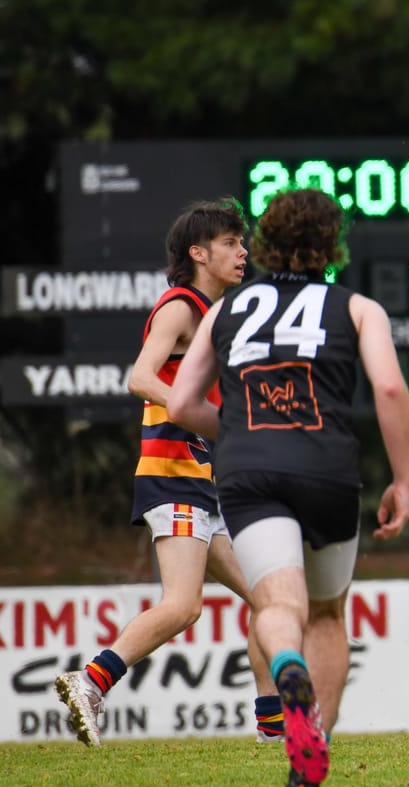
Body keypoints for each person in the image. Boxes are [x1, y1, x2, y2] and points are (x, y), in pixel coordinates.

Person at [168, 189, 409, 787]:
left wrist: (242, 433)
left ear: (266, 243)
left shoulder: (226, 309)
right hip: (328, 469)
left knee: (278, 606)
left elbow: (181, 406)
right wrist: (402, 479)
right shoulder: (357, 307)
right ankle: (311, 759)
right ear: (333, 243)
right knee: (328, 613)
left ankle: (286, 671)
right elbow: (388, 385)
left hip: (250, 473)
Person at [53, 200, 280, 746]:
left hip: (205, 484)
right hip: (172, 475)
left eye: (241, 242)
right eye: (230, 243)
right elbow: (139, 377)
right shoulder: (180, 305)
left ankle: (274, 729)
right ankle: (90, 681)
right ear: (198, 253)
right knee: (183, 605)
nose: (242, 251)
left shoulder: (213, 314)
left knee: (271, 603)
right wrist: (199, 412)